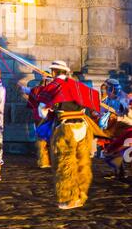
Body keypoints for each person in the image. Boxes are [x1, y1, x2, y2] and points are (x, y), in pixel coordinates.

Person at [30, 60, 102, 210]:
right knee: (82, 163)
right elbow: (92, 98)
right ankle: (81, 195)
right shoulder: (78, 86)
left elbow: (42, 111)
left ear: (54, 72)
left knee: (65, 164)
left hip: (66, 128)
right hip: (83, 127)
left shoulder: (53, 86)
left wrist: (49, 108)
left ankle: (70, 198)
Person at [19, 74, 52, 168]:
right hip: (41, 116)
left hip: (46, 116)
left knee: (44, 138)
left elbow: (28, 91)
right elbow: (29, 91)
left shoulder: (38, 89)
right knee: (43, 138)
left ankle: (46, 160)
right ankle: (44, 160)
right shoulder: (38, 89)